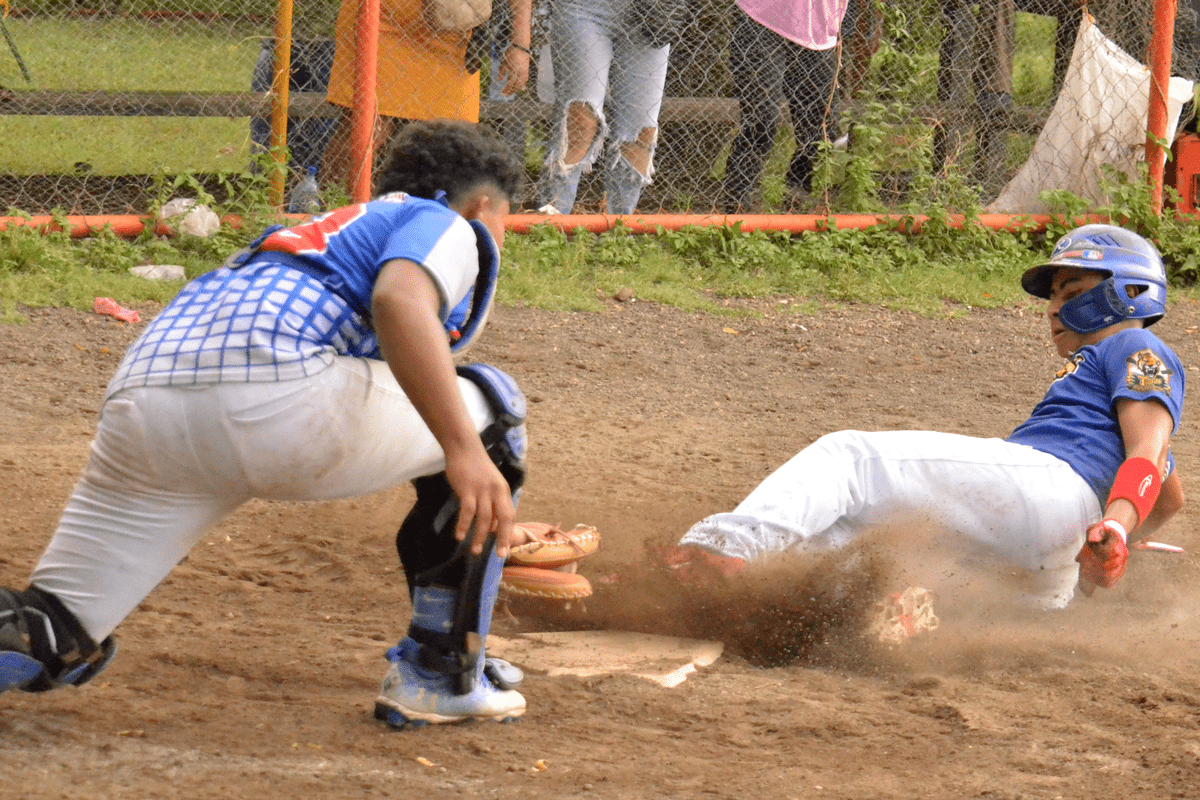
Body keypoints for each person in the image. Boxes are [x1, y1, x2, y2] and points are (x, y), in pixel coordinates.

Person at [0, 121, 540, 730]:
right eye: (504, 220)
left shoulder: (313, 235)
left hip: (143, 408)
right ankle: (441, 675)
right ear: (483, 204)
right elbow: (399, 301)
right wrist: (466, 454)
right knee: (493, 407)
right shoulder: (443, 221)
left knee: (48, 632)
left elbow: (387, 376)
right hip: (269, 396)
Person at [665, 224, 1185, 614]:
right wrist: (1115, 540)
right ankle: (765, 609)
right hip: (1046, 570)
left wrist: (1114, 526)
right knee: (847, 547)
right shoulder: (1122, 395)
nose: (1052, 310)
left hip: (1051, 494)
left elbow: (1148, 453)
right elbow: (1166, 490)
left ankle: (714, 553)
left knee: (851, 459)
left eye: (1071, 294)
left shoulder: (1134, 343)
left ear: (1129, 293)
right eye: (1052, 297)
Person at [321, 0, 532, 192]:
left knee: (454, 140)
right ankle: (339, 209)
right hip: (382, 17)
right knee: (370, 127)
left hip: (455, 24)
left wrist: (520, 45)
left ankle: (435, 222)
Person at [537, 0, 673, 214]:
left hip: (652, 11)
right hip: (585, 8)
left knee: (641, 131)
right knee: (581, 120)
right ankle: (549, 227)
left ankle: (618, 233)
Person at [719, 0, 854, 213]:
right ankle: (736, 215)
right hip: (763, 18)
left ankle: (795, 210)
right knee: (761, 121)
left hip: (821, 26)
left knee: (819, 133)